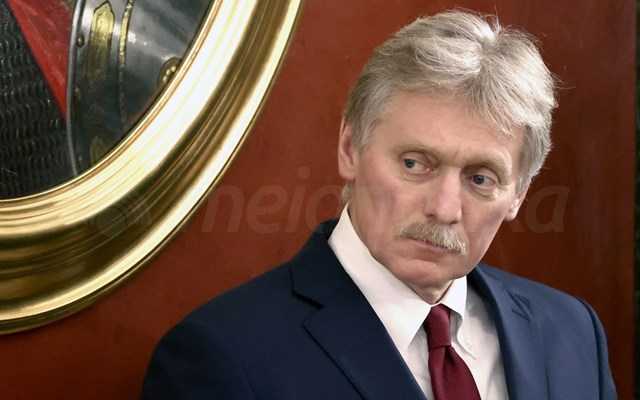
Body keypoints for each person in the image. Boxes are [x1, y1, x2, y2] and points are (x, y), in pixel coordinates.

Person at [142, 10, 616, 400]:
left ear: (519, 193)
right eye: (415, 164)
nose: (444, 209)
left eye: (479, 179)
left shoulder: (572, 333)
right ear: (350, 149)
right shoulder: (222, 357)